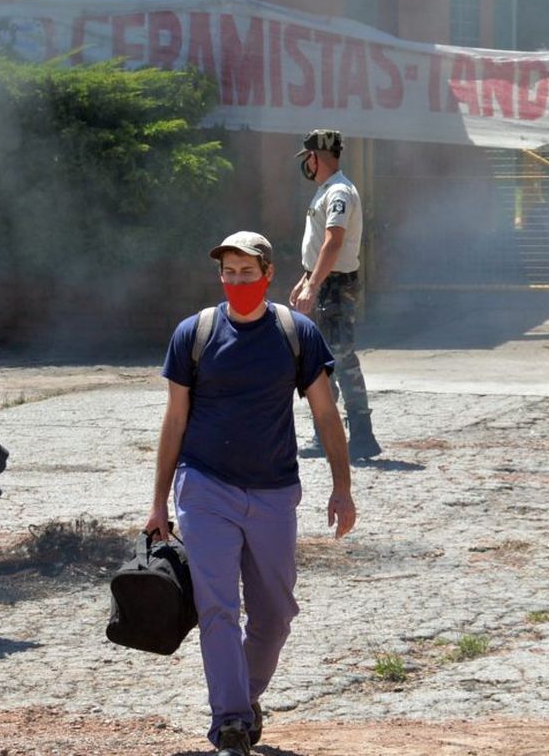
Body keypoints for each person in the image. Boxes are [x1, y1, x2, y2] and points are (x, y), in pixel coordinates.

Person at [146, 231, 357, 756]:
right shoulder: (193, 334)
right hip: (204, 487)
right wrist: (157, 503)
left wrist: (342, 487)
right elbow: (174, 420)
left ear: (267, 275)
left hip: (274, 493)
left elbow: (326, 414)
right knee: (217, 607)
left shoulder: (296, 334)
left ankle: (244, 696)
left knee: (276, 615)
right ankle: (232, 723)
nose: (237, 281)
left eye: (247, 272)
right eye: (228, 272)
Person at [288, 129, 382, 460]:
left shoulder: (339, 191)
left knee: (340, 358)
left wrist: (314, 285)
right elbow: (320, 249)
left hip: (335, 287)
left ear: (315, 157)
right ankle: (328, 434)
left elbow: (334, 241)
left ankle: (361, 436)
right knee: (324, 361)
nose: (306, 165)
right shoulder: (328, 190)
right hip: (326, 282)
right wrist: (307, 278)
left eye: (308, 158)